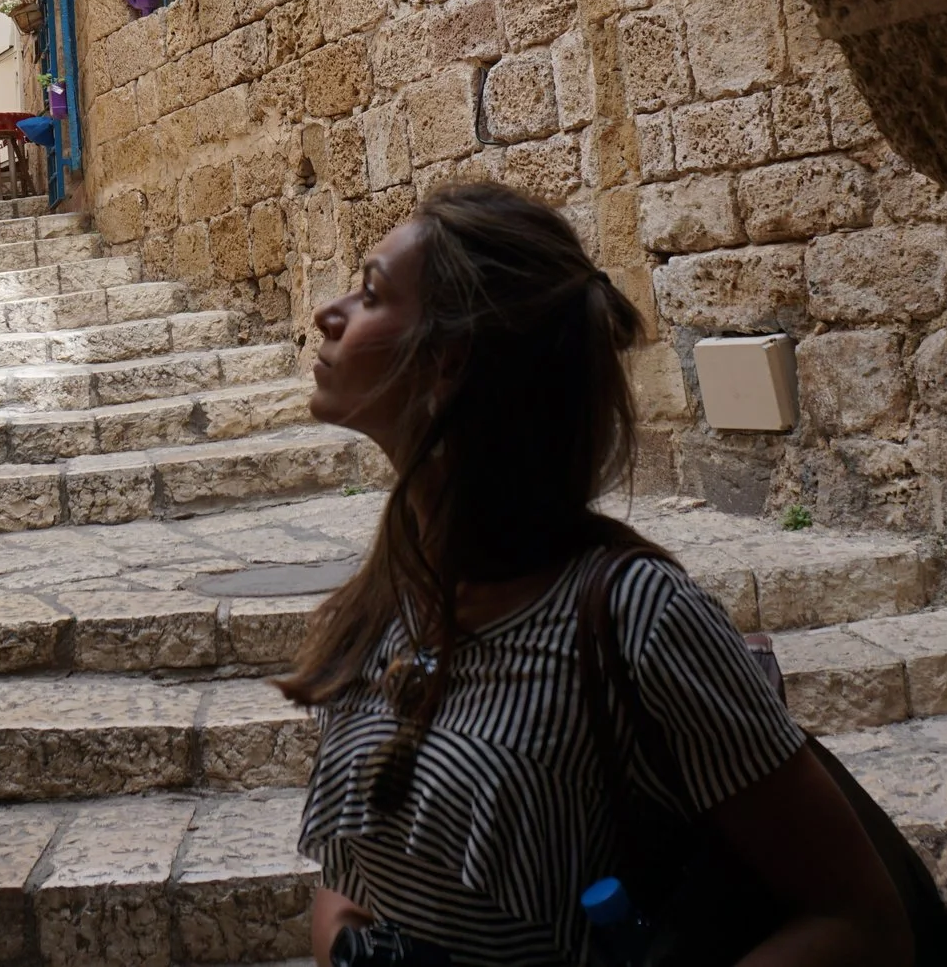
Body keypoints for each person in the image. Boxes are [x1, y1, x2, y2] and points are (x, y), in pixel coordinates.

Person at [287, 183, 913, 967]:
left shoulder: (639, 617)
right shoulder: (386, 598)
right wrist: (351, 949)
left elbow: (861, 920)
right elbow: (354, 882)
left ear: (449, 360)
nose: (328, 312)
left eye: (372, 292)